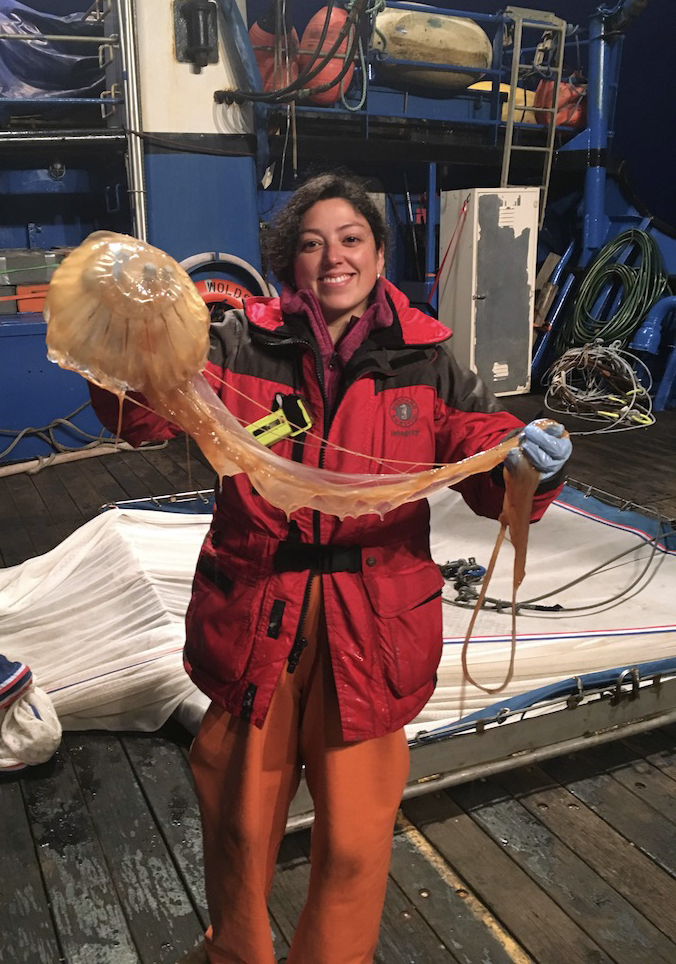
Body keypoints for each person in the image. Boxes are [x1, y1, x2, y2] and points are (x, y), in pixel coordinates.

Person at [90, 172, 571, 964]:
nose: (332, 257)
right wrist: (115, 340)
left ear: (380, 255)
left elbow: (482, 453)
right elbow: (141, 410)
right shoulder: (238, 343)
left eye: (350, 239)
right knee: (241, 829)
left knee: (352, 847)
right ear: (288, 260)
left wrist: (530, 464)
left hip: (372, 632)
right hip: (258, 616)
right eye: (310, 243)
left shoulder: (428, 358)